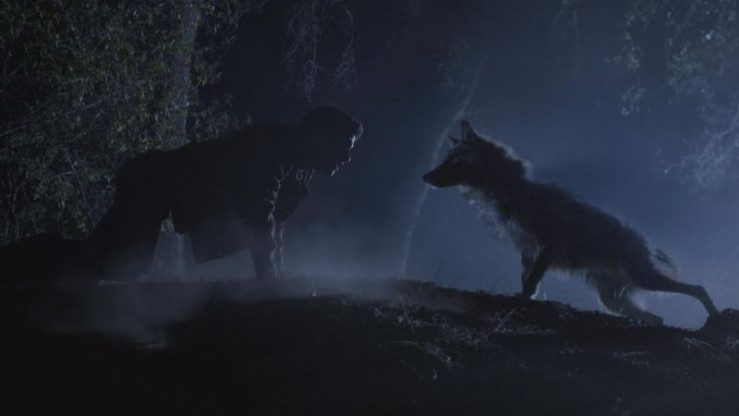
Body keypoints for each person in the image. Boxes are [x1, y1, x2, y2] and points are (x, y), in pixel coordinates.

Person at [90, 105, 363, 280]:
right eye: (343, 147)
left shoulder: (299, 167)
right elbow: (261, 220)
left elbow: (274, 224)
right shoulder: (274, 149)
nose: (347, 157)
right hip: (151, 179)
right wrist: (270, 287)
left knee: (117, 260)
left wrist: (274, 282)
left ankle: (67, 285)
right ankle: (62, 280)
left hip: (160, 186)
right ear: (321, 138)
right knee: (120, 262)